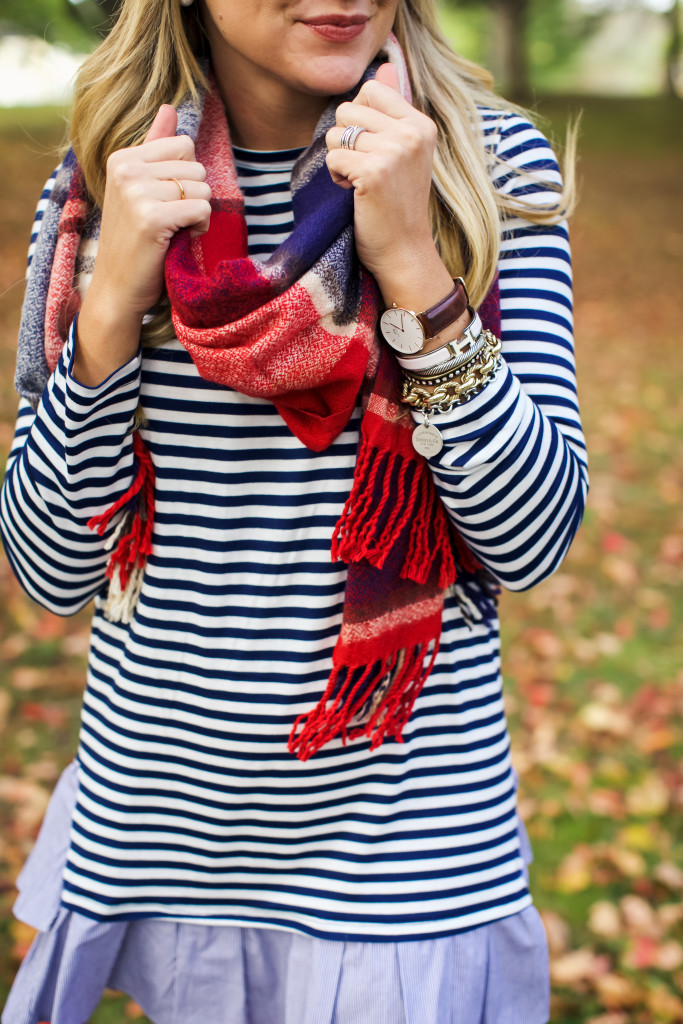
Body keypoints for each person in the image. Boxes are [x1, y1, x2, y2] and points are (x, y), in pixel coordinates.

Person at [0, 0, 587, 1021]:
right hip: (158, 837)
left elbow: (533, 540)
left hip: (402, 861)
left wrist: (414, 266)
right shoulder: (112, 178)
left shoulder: (484, 165)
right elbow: (50, 569)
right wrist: (105, 316)